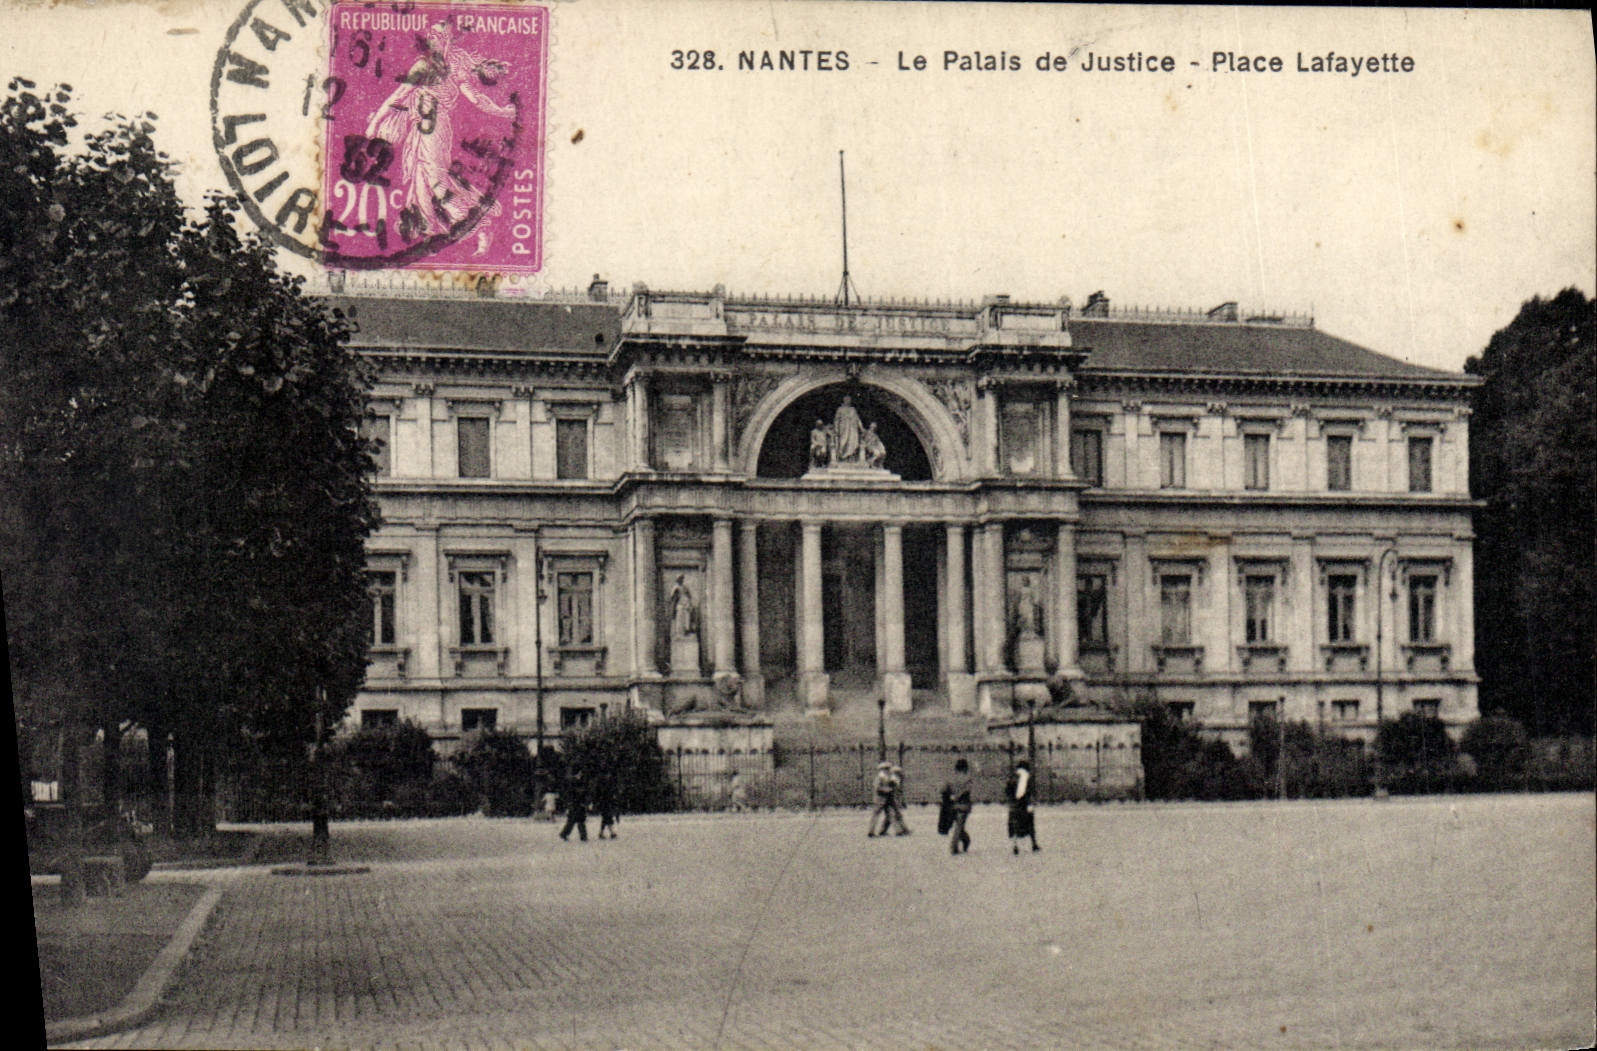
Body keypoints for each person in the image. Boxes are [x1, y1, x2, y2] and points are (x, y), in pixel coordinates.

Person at [361, 18, 517, 255]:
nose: (431, 41)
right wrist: (374, 123)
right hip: (421, 129)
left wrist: (502, 111)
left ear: (444, 41)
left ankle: (480, 225)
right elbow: (399, 96)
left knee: (435, 181)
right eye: (430, 38)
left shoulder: (451, 65)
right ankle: (439, 233)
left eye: (435, 37)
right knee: (422, 182)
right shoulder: (424, 65)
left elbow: (475, 98)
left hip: (434, 128)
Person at [1006, 758, 1041, 854]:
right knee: (1030, 825)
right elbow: (1030, 792)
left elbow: (1008, 791)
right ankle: (1034, 844)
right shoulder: (1027, 778)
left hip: (1014, 805)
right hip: (1024, 804)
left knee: (1014, 826)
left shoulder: (1012, 778)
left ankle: (1015, 846)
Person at [943, 757, 973, 855]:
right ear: (966, 768)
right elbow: (967, 791)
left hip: (953, 805)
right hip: (964, 805)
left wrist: (951, 797)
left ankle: (963, 841)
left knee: (958, 826)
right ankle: (955, 846)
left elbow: (944, 790)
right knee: (959, 826)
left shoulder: (951, 778)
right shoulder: (968, 779)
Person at [558, 768, 589, 842]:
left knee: (573, 820)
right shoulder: (575, 782)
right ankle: (582, 836)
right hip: (577, 803)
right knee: (578, 820)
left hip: (576, 803)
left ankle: (565, 834)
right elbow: (575, 793)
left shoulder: (573, 781)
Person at [867, 760, 895, 837]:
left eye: (888, 768)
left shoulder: (888, 777)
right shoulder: (879, 777)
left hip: (887, 798)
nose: (888, 769)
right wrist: (887, 789)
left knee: (890, 815)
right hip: (880, 799)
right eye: (887, 768)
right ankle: (871, 831)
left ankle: (883, 831)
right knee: (876, 815)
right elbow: (877, 787)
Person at [831, 395, 863, 464]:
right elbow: (836, 420)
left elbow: (857, 419)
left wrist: (861, 428)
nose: (848, 401)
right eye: (847, 400)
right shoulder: (840, 409)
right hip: (843, 428)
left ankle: (851, 457)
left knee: (853, 442)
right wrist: (836, 429)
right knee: (843, 442)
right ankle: (843, 458)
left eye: (849, 400)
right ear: (844, 400)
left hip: (853, 429)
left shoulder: (853, 409)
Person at [887, 763, 911, 835]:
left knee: (893, 815)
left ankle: (903, 829)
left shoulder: (896, 779)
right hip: (893, 799)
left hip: (895, 798)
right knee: (894, 815)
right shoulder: (893, 779)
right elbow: (894, 790)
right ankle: (900, 830)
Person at [594, 772, 620, 840]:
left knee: (605, 818)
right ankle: (611, 832)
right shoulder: (606, 783)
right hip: (605, 802)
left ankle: (602, 833)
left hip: (606, 802)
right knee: (608, 817)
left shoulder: (606, 782)